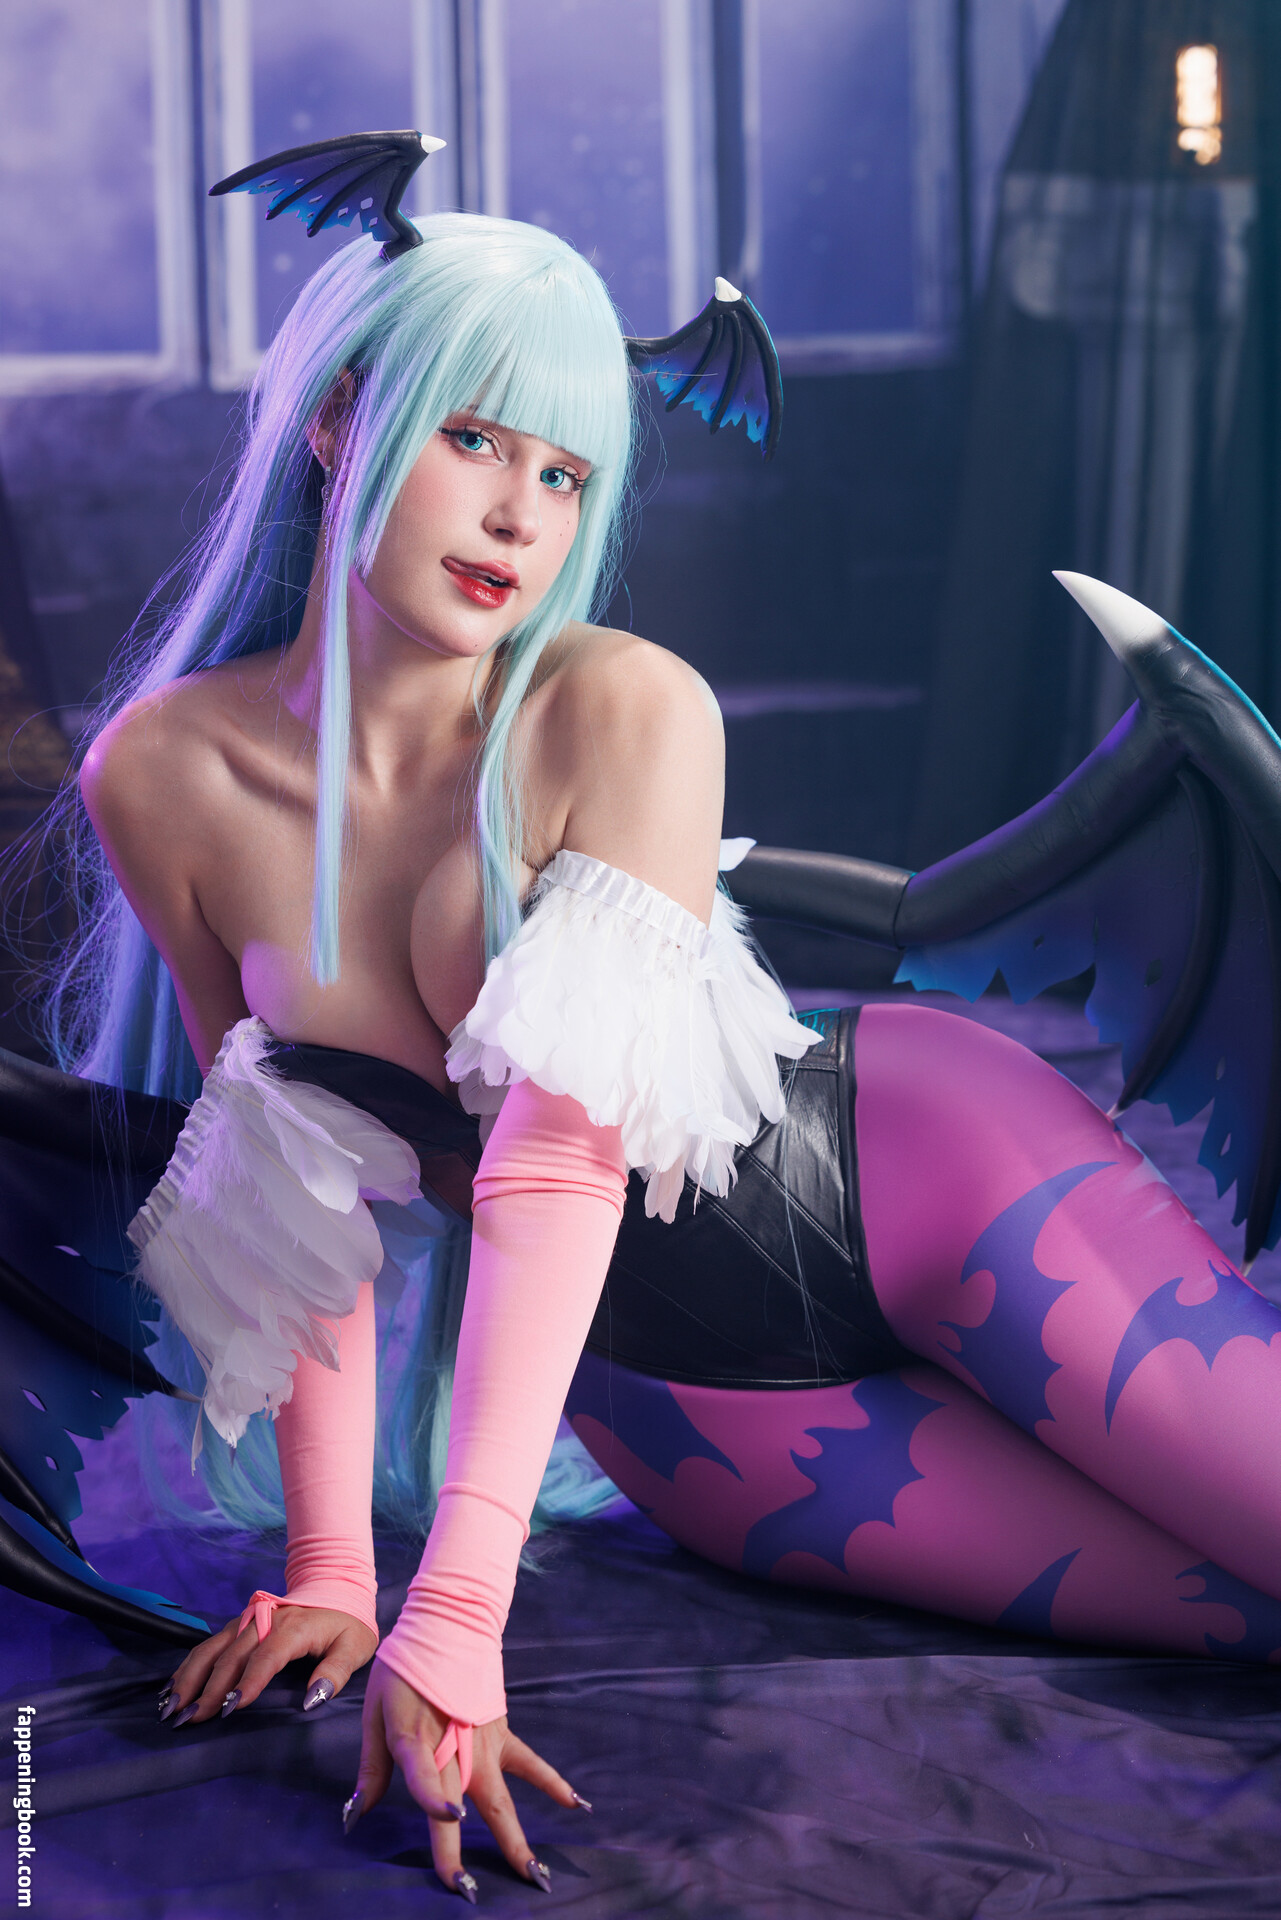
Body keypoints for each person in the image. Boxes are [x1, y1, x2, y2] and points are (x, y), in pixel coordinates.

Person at [35, 206, 1281, 1905]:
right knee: (1240, 1615)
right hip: (689, 1413)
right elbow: (286, 1187)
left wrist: (454, 1608)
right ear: (336, 421)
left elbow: (559, 1159)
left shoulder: (620, 709)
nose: (517, 516)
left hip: (925, 1186)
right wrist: (332, 1572)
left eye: (563, 474)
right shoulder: (160, 772)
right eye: (474, 440)